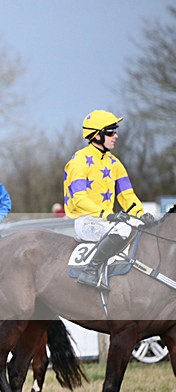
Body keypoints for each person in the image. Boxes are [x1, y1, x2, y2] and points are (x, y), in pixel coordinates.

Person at [64, 109, 155, 290]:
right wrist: (107, 215)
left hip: (107, 221)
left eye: (116, 131)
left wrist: (141, 214)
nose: (116, 136)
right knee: (122, 228)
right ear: (96, 135)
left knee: (138, 227)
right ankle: (90, 270)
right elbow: (79, 199)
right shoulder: (79, 161)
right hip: (87, 221)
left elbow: (127, 195)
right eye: (111, 132)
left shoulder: (114, 163)